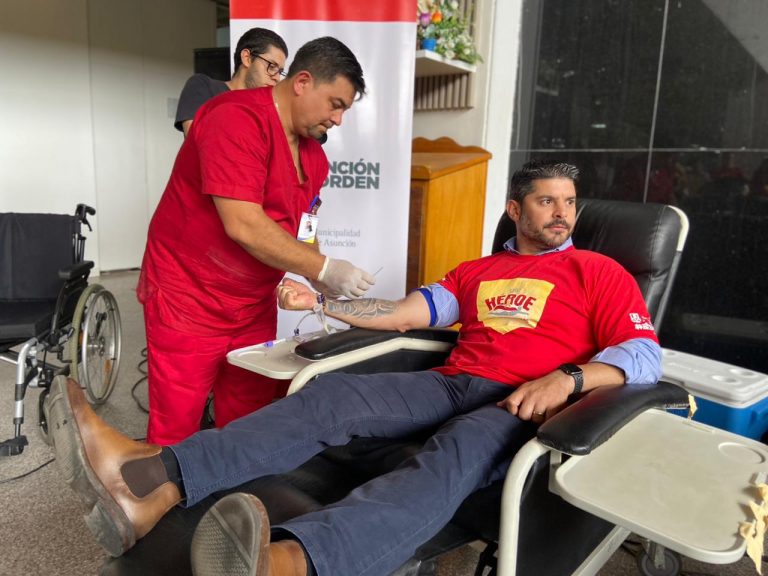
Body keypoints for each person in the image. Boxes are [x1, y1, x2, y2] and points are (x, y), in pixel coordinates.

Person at [50, 161, 662, 576]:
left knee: (449, 456)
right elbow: (401, 314)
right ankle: (149, 482)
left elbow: (642, 356)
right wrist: (320, 303)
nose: (562, 213)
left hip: (523, 403)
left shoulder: (596, 271)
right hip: (452, 381)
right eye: (547, 200)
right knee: (332, 397)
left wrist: (570, 379)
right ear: (515, 209)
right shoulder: (477, 272)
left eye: (569, 203)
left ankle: (290, 564)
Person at [139, 36, 376, 445]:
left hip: (251, 306)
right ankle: (164, 487)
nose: (338, 120)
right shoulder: (233, 118)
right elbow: (243, 224)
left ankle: (232, 484)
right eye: (335, 104)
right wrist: (324, 268)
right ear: (302, 82)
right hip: (187, 298)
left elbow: (305, 227)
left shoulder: (315, 158)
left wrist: (318, 277)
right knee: (177, 429)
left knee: (249, 419)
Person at [175, 28, 289, 136]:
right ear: (247, 58)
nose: (277, 78)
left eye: (280, 71)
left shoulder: (267, 112)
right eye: (272, 66)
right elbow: (196, 138)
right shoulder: (204, 87)